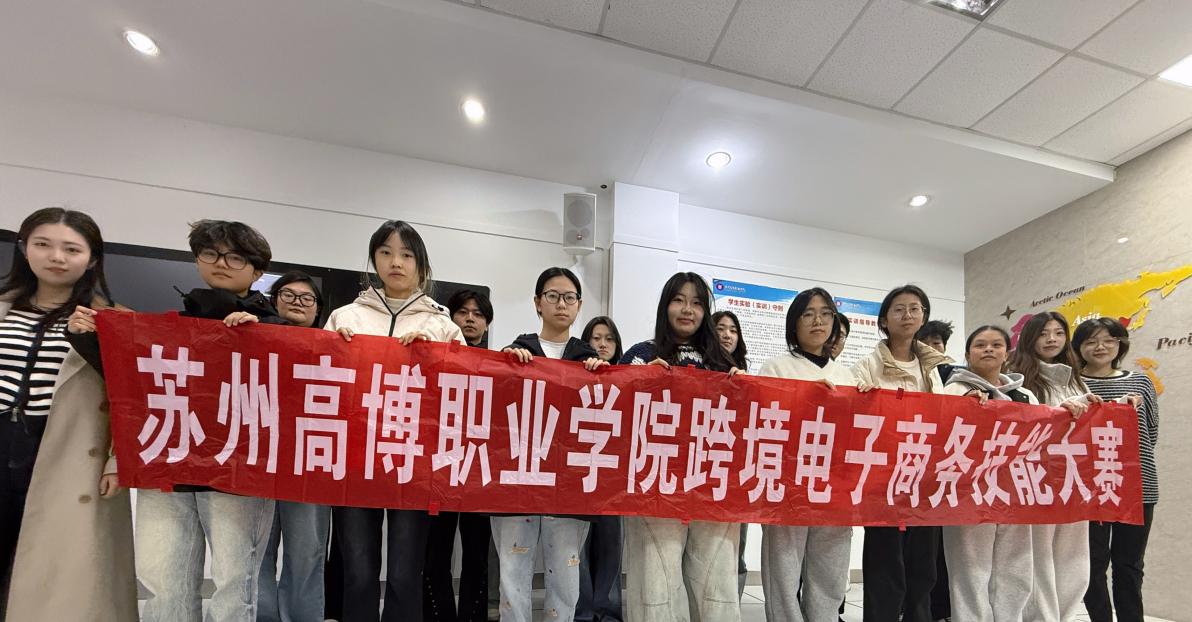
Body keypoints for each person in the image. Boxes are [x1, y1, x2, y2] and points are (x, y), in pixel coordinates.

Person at [105, 219, 284, 621]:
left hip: (237, 469)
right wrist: (90, 337)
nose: (221, 262)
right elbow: (132, 390)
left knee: (234, 582)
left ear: (257, 270)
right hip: (169, 459)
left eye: (235, 257)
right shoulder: (168, 325)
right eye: (210, 253)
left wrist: (262, 335)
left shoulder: (276, 329)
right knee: (163, 580)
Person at [1, 207, 137, 622]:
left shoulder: (114, 320)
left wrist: (117, 459)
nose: (56, 257)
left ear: (92, 259)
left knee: (51, 567)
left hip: (67, 448)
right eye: (43, 244)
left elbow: (133, 396)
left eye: (72, 249)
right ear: (24, 249)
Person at [326, 220, 465, 622]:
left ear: (421, 263)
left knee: (406, 572)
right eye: (385, 252)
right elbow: (321, 384)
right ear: (374, 259)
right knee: (358, 570)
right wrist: (335, 350)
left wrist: (435, 357)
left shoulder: (442, 325)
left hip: (413, 461)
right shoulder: (344, 317)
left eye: (406, 254)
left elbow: (461, 392)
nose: (396, 262)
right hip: (355, 459)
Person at [620, 272, 742, 622]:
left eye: (697, 303)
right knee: (656, 577)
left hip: (712, 481)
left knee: (716, 579)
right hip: (656, 482)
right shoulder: (641, 355)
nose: (687, 309)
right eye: (679, 300)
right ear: (665, 305)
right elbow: (614, 410)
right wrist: (637, 381)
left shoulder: (723, 362)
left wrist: (743, 388)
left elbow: (741, 423)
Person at [494, 267, 606, 622]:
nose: (561, 304)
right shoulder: (515, 352)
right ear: (537, 302)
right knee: (513, 573)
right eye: (553, 296)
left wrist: (601, 376)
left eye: (569, 297)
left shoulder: (589, 360)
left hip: (569, 483)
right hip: (519, 477)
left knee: (566, 578)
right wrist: (506, 367)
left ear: (579, 305)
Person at [852, 285, 952, 622]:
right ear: (884, 320)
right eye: (898, 309)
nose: (907, 315)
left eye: (914, 308)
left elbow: (947, 417)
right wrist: (862, 399)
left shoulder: (936, 369)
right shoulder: (866, 366)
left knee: (923, 566)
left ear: (923, 316)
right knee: (885, 563)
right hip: (883, 477)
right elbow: (853, 416)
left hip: (925, 475)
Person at [756, 288, 854, 622]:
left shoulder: (847, 375)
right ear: (794, 323)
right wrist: (806, 399)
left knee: (831, 567)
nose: (818, 321)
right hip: (789, 482)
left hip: (835, 483)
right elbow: (764, 422)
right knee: (783, 567)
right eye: (808, 314)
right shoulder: (776, 368)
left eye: (826, 313)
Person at [940, 326, 1038, 622]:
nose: (988, 350)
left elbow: (1043, 434)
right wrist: (962, 406)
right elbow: (939, 432)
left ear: (1007, 353)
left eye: (996, 345)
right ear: (967, 354)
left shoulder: (1024, 395)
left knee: (1016, 566)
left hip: (1014, 490)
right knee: (970, 568)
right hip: (968, 491)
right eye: (980, 345)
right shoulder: (953, 390)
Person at [1006, 312, 1098, 622]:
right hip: (1037, 475)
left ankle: (1064, 615)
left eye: (1058, 333)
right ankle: (1041, 617)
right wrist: (1056, 411)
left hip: (1074, 475)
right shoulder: (1017, 376)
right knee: (1039, 553)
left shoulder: (1075, 377)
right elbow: (1018, 424)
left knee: (1075, 553)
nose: (1051, 339)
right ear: (1030, 337)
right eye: (1044, 333)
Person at [1072, 318, 1158, 622]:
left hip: (1137, 485)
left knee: (1130, 563)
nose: (1100, 347)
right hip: (1087, 487)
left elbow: (1150, 432)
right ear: (1078, 347)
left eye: (1109, 340)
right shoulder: (1073, 384)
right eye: (1090, 341)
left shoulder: (1141, 381)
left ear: (1120, 344)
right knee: (1092, 564)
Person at [258, 271, 331, 622]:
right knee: (257, 552)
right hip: (259, 460)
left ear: (318, 309)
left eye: (307, 298)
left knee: (307, 554)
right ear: (274, 300)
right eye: (288, 295)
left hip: (309, 463)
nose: (298, 303)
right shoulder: (253, 339)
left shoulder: (333, 348)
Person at [423, 288, 496, 622]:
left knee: (477, 553)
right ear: (451, 318)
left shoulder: (498, 365)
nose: (470, 319)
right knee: (436, 550)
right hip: (438, 468)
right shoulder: (434, 359)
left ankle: (473, 617)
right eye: (463, 312)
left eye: (478, 314)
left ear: (487, 323)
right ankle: (437, 616)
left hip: (478, 469)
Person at [576, 316, 625, 622]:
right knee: (578, 549)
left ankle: (608, 612)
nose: (603, 344)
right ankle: (582, 611)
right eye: (596, 338)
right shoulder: (571, 373)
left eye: (609, 338)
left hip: (612, 476)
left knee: (610, 546)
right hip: (579, 473)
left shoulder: (627, 378)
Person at [711, 310, 753, 600]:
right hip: (706, 468)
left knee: (736, 543)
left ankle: (732, 604)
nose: (727, 335)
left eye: (733, 330)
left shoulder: (746, 374)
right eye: (720, 328)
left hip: (737, 472)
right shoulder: (699, 368)